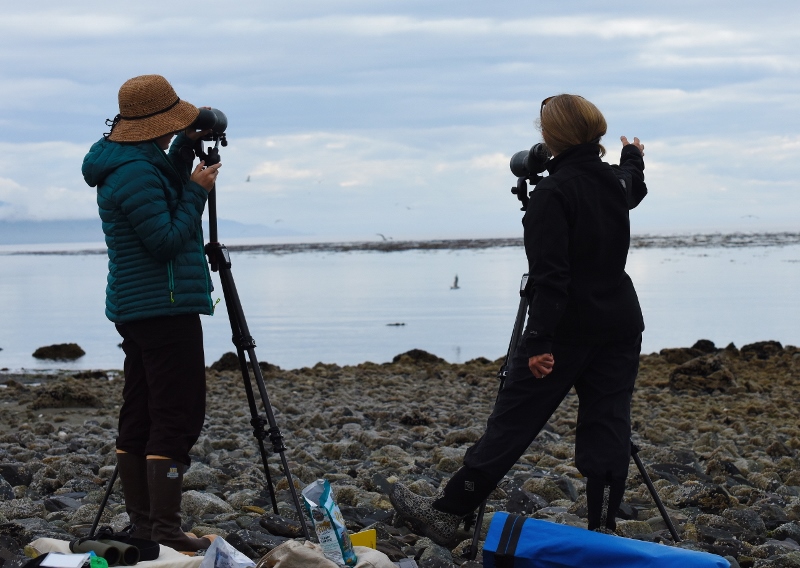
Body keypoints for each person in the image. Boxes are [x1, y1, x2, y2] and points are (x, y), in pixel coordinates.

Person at [390, 94, 647, 546]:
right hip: (621, 322)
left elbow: (551, 277)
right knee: (607, 421)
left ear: (551, 137)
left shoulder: (552, 193)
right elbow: (632, 187)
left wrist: (540, 341)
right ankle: (604, 530)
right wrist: (633, 157)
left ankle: (450, 512)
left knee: (514, 419)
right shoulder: (612, 181)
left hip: (565, 328)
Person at [82, 74, 222, 553]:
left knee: (141, 411)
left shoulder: (132, 161)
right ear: (155, 125)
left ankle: (145, 526)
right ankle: (163, 528)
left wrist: (184, 153)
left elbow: (160, 190)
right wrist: (198, 192)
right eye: (172, 124)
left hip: (139, 307)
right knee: (177, 413)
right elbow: (163, 240)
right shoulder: (135, 172)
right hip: (162, 307)